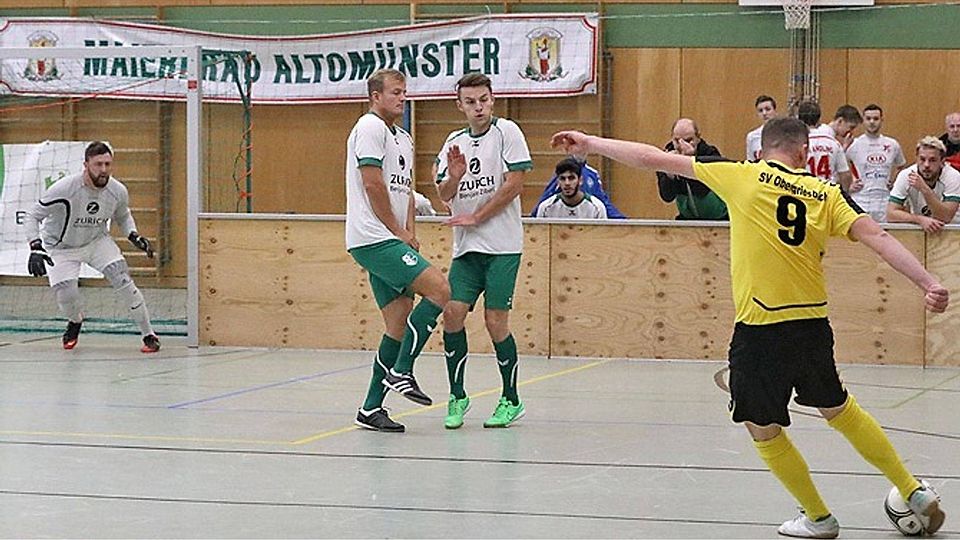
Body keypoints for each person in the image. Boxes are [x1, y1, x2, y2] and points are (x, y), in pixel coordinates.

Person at [550, 118, 947, 539]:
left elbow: (653, 158)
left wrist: (590, 141)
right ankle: (911, 488)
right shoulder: (826, 193)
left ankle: (818, 517)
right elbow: (880, 237)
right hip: (812, 325)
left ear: (763, 150)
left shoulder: (743, 175)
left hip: (761, 328)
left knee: (761, 426)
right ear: (803, 153)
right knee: (840, 409)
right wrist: (929, 283)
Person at [345, 68, 451, 433]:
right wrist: (396, 232)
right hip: (372, 237)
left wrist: (410, 233)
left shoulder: (403, 138)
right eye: (395, 93)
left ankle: (370, 408)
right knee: (440, 289)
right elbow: (372, 184)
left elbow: (402, 192)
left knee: (398, 321)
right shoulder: (369, 128)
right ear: (376, 96)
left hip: (391, 236)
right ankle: (402, 370)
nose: (402, 99)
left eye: (404, 92)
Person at [435, 73, 532, 429]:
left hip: (503, 246)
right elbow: (444, 195)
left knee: (495, 323)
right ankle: (458, 395)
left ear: (492, 100)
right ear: (460, 105)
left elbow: (515, 184)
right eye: (471, 102)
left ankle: (511, 398)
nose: (479, 107)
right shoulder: (453, 141)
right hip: (467, 249)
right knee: (453, 314)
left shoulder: (508, 132)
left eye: (484, 100)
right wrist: (456, 177)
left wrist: (477, 216)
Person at [24, 142, 161, 353]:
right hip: (61, 248)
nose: (104, 170)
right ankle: (75, 320)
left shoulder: (117, 190)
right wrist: (35, 246)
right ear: (85, 165)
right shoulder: (65, 188)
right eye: (98, 164)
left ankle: (149, 335)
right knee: (67, 294)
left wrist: (133, 234)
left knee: (124, 281)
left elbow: (123, 216)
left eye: (108, 164)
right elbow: (33, 215)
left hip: (97, 242)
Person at [656, 118, 727, 220]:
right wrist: (669, 175)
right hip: (687, 216)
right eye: (677, 140)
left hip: (718, 216)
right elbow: (667, 197)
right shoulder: (666, 155)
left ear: (698, 138)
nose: (682, 146)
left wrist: (689, 161)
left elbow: (702, 191)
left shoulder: (710, 153)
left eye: (688, 140)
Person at [845, 104, 907, 222]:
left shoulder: (892, 144)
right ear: (863, 121)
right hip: (861, 199)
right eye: (868, 119)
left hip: (884, 200)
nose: (872, 122)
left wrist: (894, 181)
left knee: (883, 237)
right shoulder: (854, 144)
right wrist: (851, 182)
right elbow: (842, 166)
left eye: (875, 119)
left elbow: (901, 165)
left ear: (881, 120)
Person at [886, 136, 960, 233]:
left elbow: (945, 217)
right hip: (921, 229)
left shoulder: (953, 176)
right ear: (916, 159)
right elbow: (891, 214)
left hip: (952, 231)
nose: (926, 165)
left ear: (942, 162)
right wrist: (919, 219)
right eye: (922, 159)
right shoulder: (906, 175)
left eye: (932, 160)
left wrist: (924, 189)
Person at [530, 155, 625, 218]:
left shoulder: (597, 208)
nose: (567, 183)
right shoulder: (545, 207)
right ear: (558, 181)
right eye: (563, 179)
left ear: (580, 181)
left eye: (571, 178)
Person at [798, 100, 853, 191]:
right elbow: (845, 174)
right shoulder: (833, 143)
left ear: (799, 119)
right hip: (827, 193)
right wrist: (845, 192)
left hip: (805, 192)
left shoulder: (797, 144)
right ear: (819, 120)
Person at [746, 95, 778, 160]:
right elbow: (750, 160)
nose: (764, 113)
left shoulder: (784, 134)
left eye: (768, 109)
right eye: (760, 111)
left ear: (775, 111)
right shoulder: (752, 137)